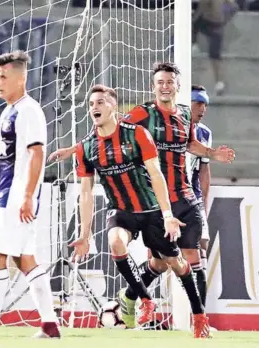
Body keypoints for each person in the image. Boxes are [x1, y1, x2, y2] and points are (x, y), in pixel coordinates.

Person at [47, 63, 235, 333]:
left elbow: (189, 143)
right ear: (153, 87)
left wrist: (212, 153)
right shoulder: (141, 115)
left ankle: (199, 319)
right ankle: (135, 299)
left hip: (184, 195)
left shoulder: (184, 114)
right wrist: (75, 149)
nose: (165, 86)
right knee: (161, 262)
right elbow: (108, 127)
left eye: (170, 81)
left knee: (194, 256)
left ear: (178, 86)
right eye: (160, 82)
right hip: (155, 200)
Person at [70, 84, 211, 338]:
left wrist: (167, 215)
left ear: (113, 106)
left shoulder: (137, 135)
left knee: (176, 264)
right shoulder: (86, 147)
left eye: (100, 102)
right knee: (115, 242)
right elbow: (86, 193)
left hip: (151, 209)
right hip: (121, 211)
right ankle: (146, 300)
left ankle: (199, 316)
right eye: (91, 104)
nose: (94, 108)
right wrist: (84, 233)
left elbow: (156, 176)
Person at [0, 51, 59, 339]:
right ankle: (49, 324)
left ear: (21, 79)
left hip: (16, 196)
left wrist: (27, 196)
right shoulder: (10, 109)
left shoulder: (28, 110)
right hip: (10, 194)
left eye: (4, 77)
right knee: (25, 259)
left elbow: (37, 154)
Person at [187, 85, 212, 308]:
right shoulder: (167, 129)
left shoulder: (205, 133)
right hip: (166, 199)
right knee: (160, 258)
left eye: (205, 104)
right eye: (198, 103)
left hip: (192, 199)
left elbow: (204, 171)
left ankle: (200, 314)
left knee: (202, 245)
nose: (202, 108)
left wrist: (203, 205)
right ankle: (137, 301)